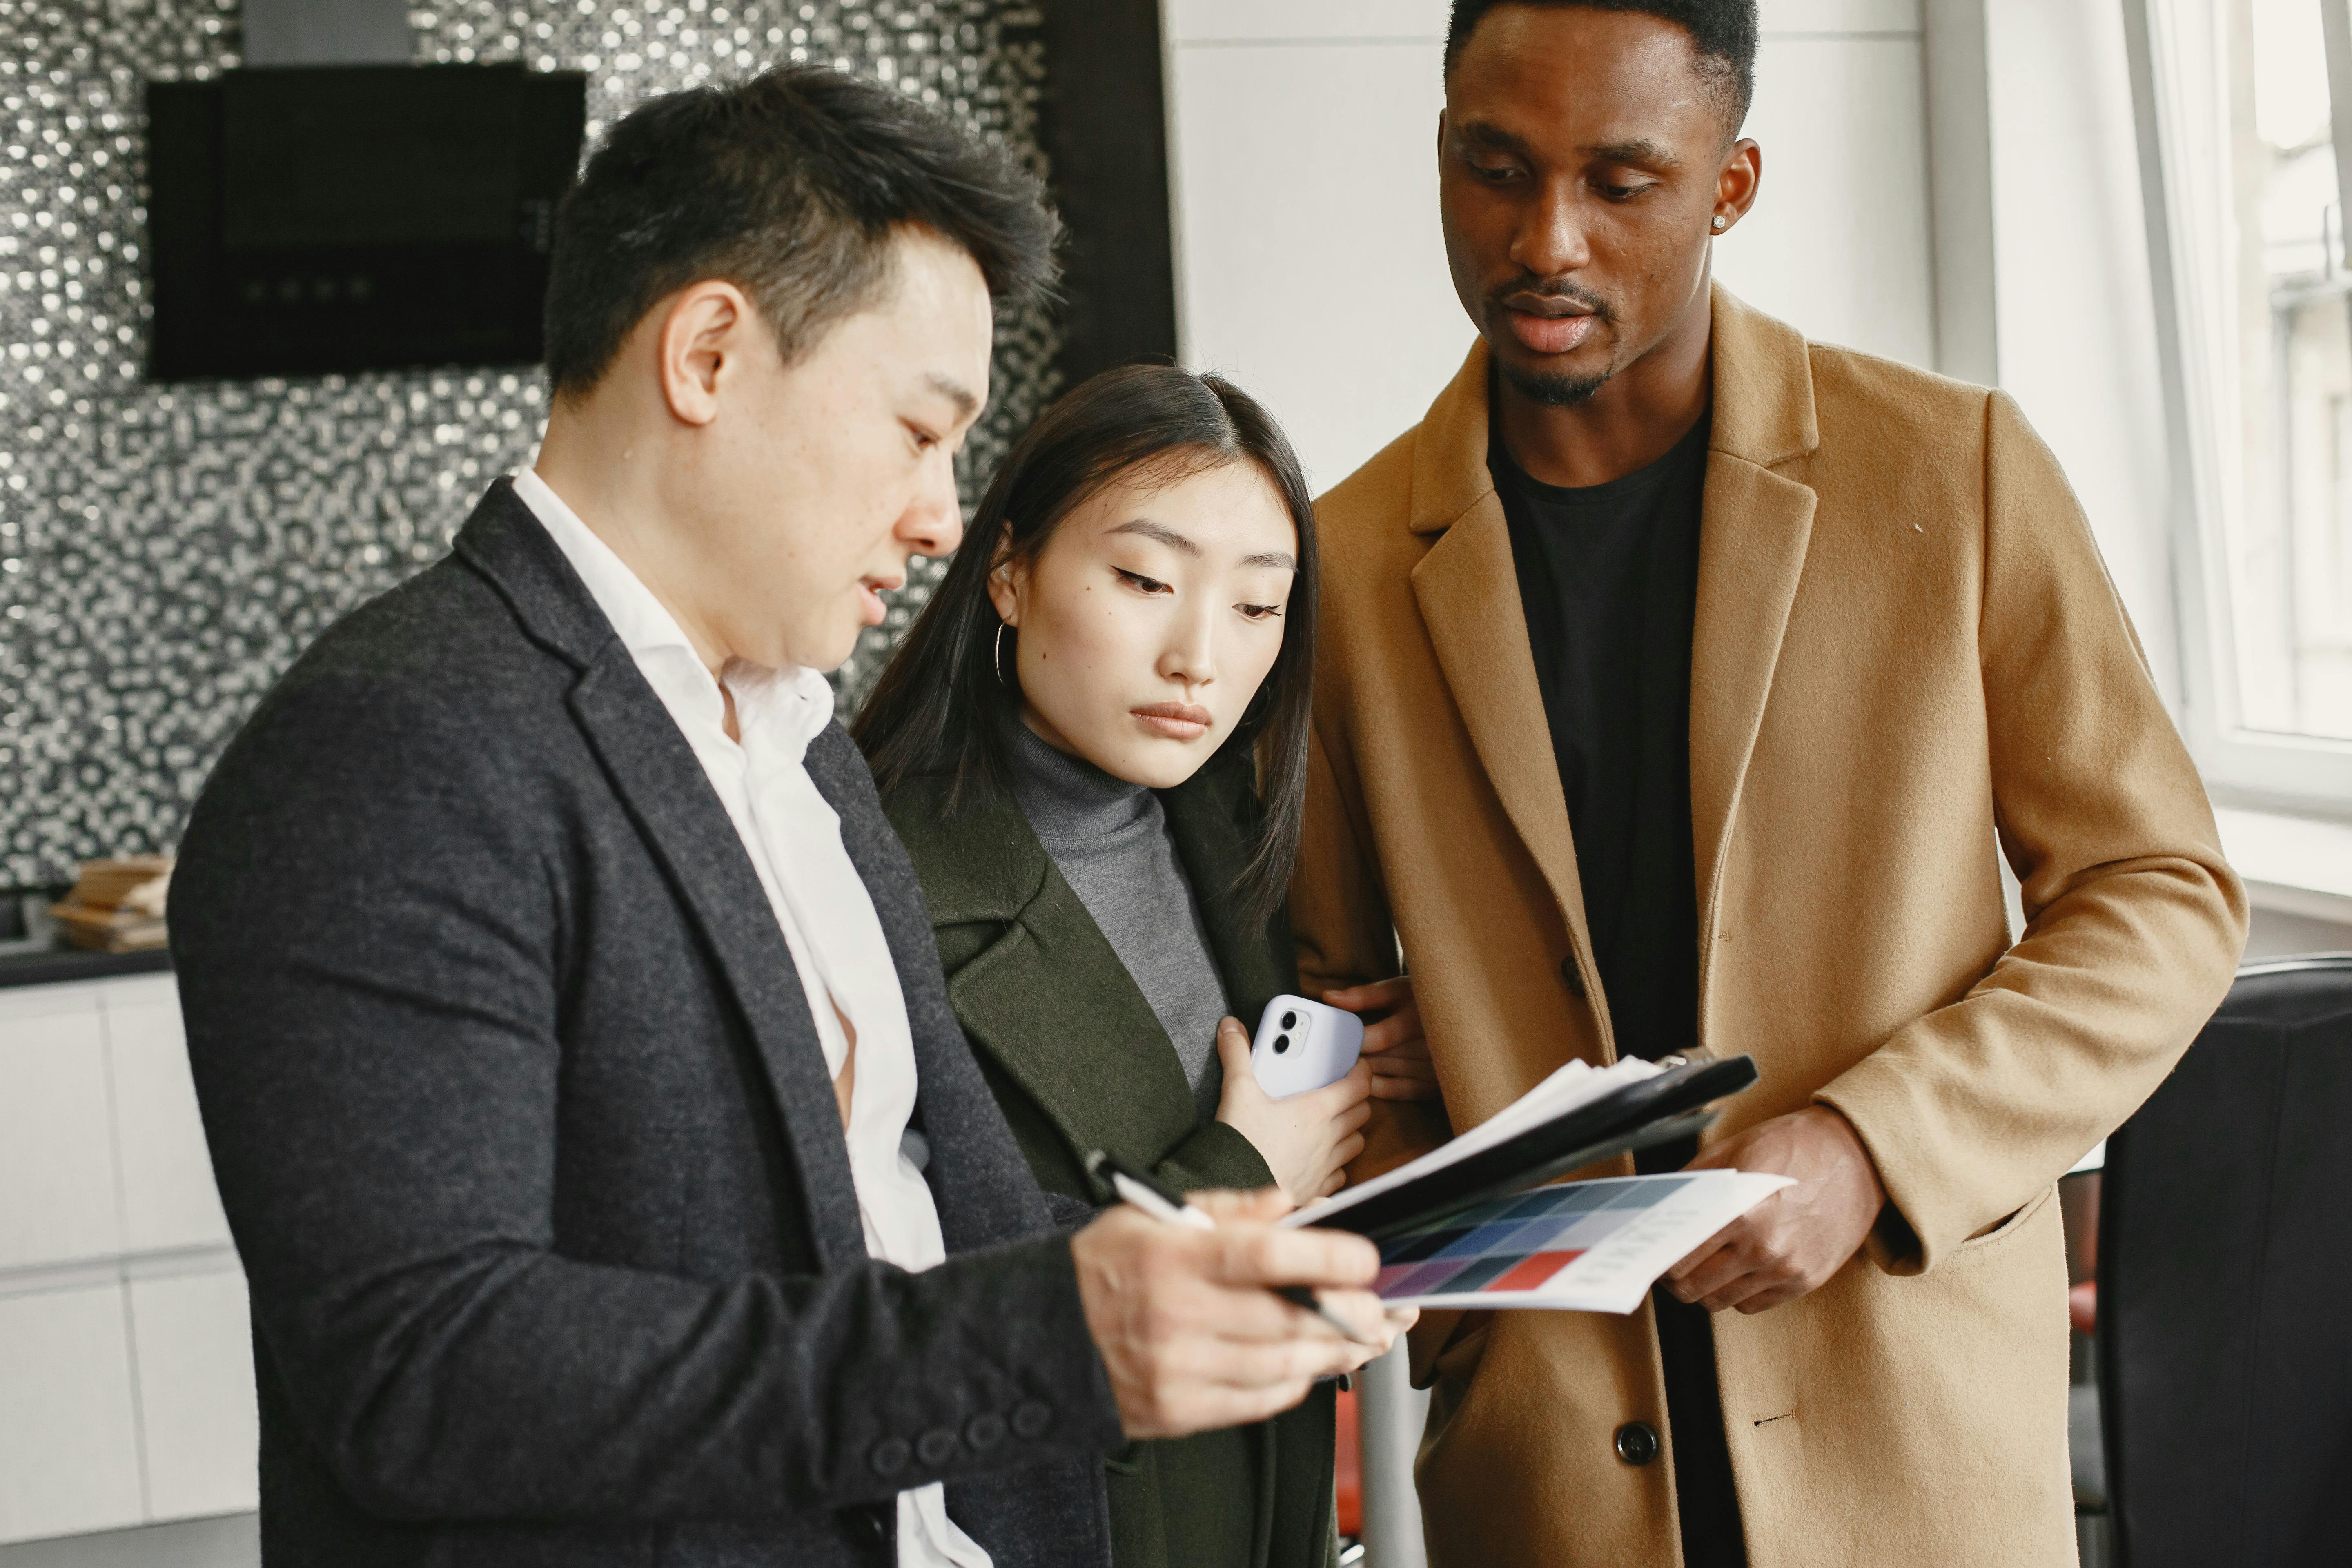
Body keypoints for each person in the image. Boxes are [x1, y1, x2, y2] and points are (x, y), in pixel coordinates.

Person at [168, 66, 1399, 1568]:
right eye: (916, 429)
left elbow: (945, 1225)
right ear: (707, 354)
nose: (946, 514)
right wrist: (1049, 1337)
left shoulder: (800, 749)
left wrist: (1232, 1284)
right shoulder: (398, 744)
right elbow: (429, 1372)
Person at [1289, 4, 2249, 1566]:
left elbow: (2164, 899)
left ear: (1730, 187)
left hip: (1910, 1448)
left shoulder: (1959, 473)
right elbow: (1326, 1024)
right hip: (1549, 1489)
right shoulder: (1335, 567)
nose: (1548, 240)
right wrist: (1377, 1109)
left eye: (1622, 182)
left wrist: (1876, 1144)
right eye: (1496, 169)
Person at [857, 365, 1434, 1568]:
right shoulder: (870, 883)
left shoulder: (1245, 832)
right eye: (1143, 581)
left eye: (1256, 608)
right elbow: (903, 1316)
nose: (1199, 658)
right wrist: (1243, 1176)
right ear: (1007, 570)